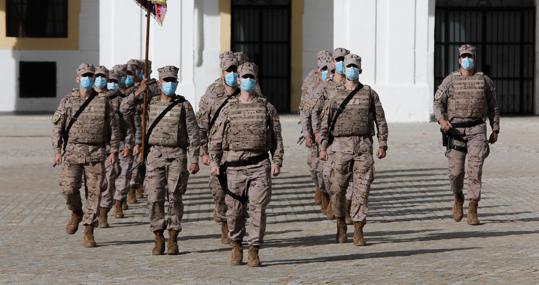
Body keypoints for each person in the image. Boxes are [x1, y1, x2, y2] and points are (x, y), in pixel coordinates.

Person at [209, 62, 284, 267]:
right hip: (234, 166)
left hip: (260, 165)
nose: (248, 80)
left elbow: (276, 137)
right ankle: (236, 245)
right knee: (234, 210)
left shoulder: (266, 107)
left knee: (258, 208)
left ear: (255, 80)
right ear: (239, 81)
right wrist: (215, 161)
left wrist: (276, 161)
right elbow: (216, 138)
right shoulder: (229, 108)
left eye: (252, 77)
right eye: (245, 77)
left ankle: (254, 249)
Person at [319, 53, 388, 246]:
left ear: (360, 70)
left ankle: (358, 229)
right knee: (337, 189)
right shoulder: (334, 95)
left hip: (363, 146)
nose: (351, 69)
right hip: (340, 147)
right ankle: (341, 223)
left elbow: (380, 120)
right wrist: (323, 147)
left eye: (355, 67)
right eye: (348, 66)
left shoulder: (369, 93)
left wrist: (382, 143)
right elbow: (325, 123)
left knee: (361, 190)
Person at [51, 63, 119, 247]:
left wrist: (113, 150)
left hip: (96, 153)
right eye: (85, 76)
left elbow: (113, 128)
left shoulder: (103, 101)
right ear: (77, 78)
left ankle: (89, 229)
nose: (88, 79)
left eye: (91, 76)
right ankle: (76, 211)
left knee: (95, 193)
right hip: (73, 152)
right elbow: (58, 127)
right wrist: (57, 150)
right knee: (68, 187)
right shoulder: (68, 101)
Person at [137, 65, 200, 255]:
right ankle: (158, 235)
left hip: (177, 155)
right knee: (154, 197)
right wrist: (138, 92)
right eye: (166, 80)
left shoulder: (183, 105)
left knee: (174, 196)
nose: (170, 84)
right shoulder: (150, 102)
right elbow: (124, 109)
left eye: (173, 80)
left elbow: (193, 133)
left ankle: (173, 235)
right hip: (155, 155)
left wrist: (194, 158)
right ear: (159, 82)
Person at [434, 44, 500, 225]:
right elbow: (437, 103)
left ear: (474, 58)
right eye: (464, 56)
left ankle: (473, 207)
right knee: (456, 173)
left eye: (469, 56)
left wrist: (495, 128)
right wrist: (442, 121)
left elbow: (493, 106)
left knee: (475, 169)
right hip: (455, 131)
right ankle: (458, 197)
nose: (467, 59)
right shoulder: (450, 81)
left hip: (477, 130)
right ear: (458, 59)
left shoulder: (484, 81)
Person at [197, 53, 240, 244]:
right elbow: (202, 124)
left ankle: (234, 227)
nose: (232, 73)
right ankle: (223, 222)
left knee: (239, 191)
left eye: (235, 69)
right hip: (218, 152)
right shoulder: (212, 93)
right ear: (222, 72)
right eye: (228, 70)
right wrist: (203, 151)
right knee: (219, 190)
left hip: (240, 150)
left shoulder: (248, 90)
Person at [98, 65, 135, 227]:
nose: (111, 83)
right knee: (107, 178)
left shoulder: (122, 101)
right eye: (109, 80)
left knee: (123, 173)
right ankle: (103, 210)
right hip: (101, 146)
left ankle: (118, 202)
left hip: (119, 143)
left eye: (114, 81)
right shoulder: (96, 99)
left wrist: (129, 144)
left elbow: (129, 126)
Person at [299, 50, 332, 207]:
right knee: (314, 165)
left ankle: (330, 196)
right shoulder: (311, 83)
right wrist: (307, 134)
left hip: (331, 134)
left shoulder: (338, 84)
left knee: (329, 167)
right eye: (324, 69)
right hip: (314, 133)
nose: (327, 72)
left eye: (329, 68)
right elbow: (305, 111)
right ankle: (320, 187)